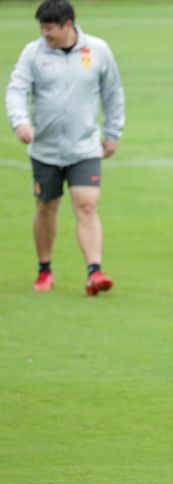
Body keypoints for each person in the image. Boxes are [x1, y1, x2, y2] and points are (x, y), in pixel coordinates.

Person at [6, 0, 124, 294]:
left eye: (49, 28)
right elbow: (16, 89)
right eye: (42, 27)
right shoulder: (33, 53)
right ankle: (44, 269)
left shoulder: (97, 50)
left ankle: (94, 271)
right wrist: (20, 122)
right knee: (46, 208)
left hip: (85, 147)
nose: (44, 33)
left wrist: (112, 132)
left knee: (87, 205)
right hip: (45, 150)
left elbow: (113, 92)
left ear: (68, 25)